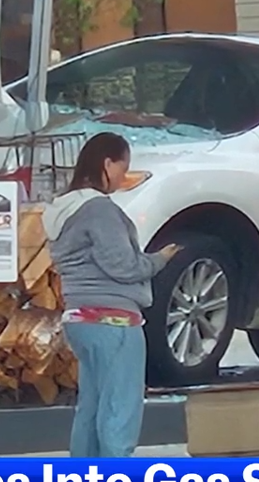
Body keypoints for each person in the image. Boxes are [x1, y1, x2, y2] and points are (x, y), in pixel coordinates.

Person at [42, 133, 181, 457]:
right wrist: (160, 259)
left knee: (90, 411)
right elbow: (123, 265)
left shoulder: (63, 209)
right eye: (123, 166)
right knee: (120, 411)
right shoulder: (99, 209)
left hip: (81, 320)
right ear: (107, 163)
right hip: (115, 321)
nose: (124, 175)